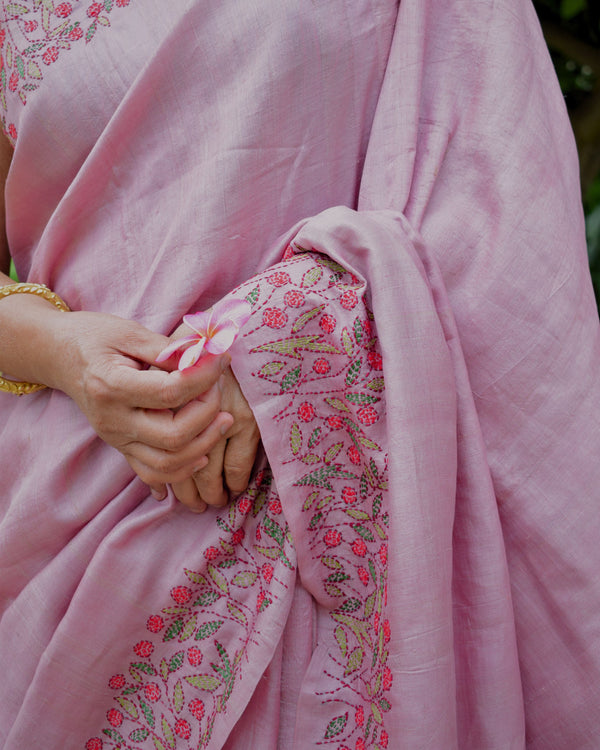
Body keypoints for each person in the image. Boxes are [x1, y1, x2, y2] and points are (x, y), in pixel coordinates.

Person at [1, 1, 599, 748]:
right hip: (73, 521)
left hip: (361, 503)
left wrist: (283, 338)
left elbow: (503, 211)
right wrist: (63, 350)